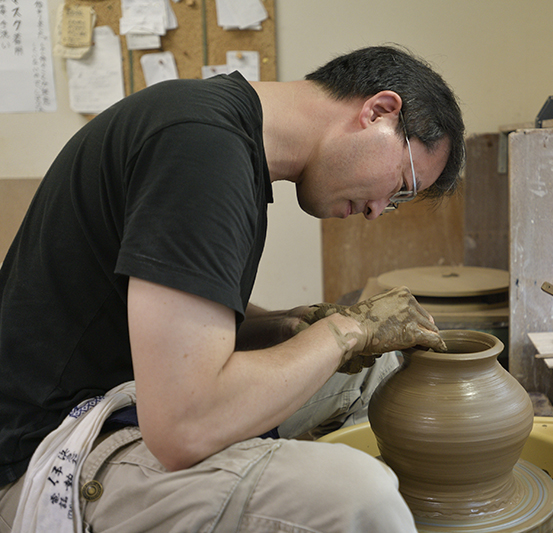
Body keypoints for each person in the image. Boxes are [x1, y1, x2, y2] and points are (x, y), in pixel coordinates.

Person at [0, 45, 465, 532]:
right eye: (402, 187)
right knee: (357, 499)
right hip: (52, 451)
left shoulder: (218, 132)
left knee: (372, 371)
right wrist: (346, 331)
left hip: (124, 400)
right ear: (379, 112)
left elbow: (170, 326)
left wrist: (285, 325)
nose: (378, 210)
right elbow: (184, 425)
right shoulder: (202, 149)